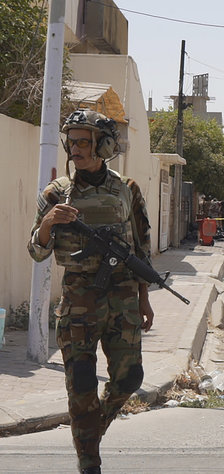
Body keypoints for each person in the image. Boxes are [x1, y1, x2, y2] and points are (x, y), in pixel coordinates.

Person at [27, 110, 154, 474]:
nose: (76, 148)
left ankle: (91, 430)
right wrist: (50, 222)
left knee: (130, 378)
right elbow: (36, 251)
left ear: (105, 145)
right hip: (80, 303)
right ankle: (89, 463)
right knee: (81, 385)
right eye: (72, 141)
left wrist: (144, 298)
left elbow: (141, 248)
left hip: (124, 297)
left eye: (84, 141)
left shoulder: (127, 189)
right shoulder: (56, 193)